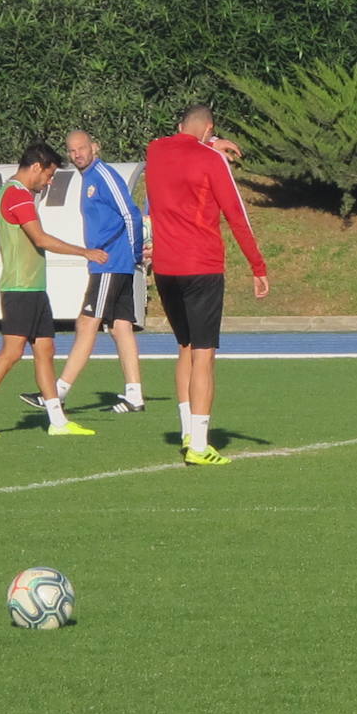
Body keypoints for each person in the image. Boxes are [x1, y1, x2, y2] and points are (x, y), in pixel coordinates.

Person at [144, 105, 269, 466]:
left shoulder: (155, 150)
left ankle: (187, 432)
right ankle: (199, 445)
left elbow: (175, 144)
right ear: (209, 128)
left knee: (184, 346)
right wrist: (257, 265)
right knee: (204, 353)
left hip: (166, 268)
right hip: (201, 266)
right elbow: (237, 215)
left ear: (179, 124)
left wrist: (208, 140)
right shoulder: (213, 162)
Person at [19, 130, 147, 414]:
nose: (77, 154)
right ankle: (135, 395)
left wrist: (135, 253)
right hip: (110, 262)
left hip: (110, 262)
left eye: (81, 148)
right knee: (121, 327)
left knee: (87, 323)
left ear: (95, 147)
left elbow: (131, 214)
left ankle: (57, 392)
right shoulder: (87, 177)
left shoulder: (103, 175)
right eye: (72, 150)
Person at [0, 142, 109, 436]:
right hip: (19, 287)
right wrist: (85, 252)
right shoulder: (15, 195)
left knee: (45, 349)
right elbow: (41, 239)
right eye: (48, 175)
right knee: (11, 353)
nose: (49, 182)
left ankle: (57, 420)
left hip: (33, 287)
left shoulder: (20, 194)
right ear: (36, 167)